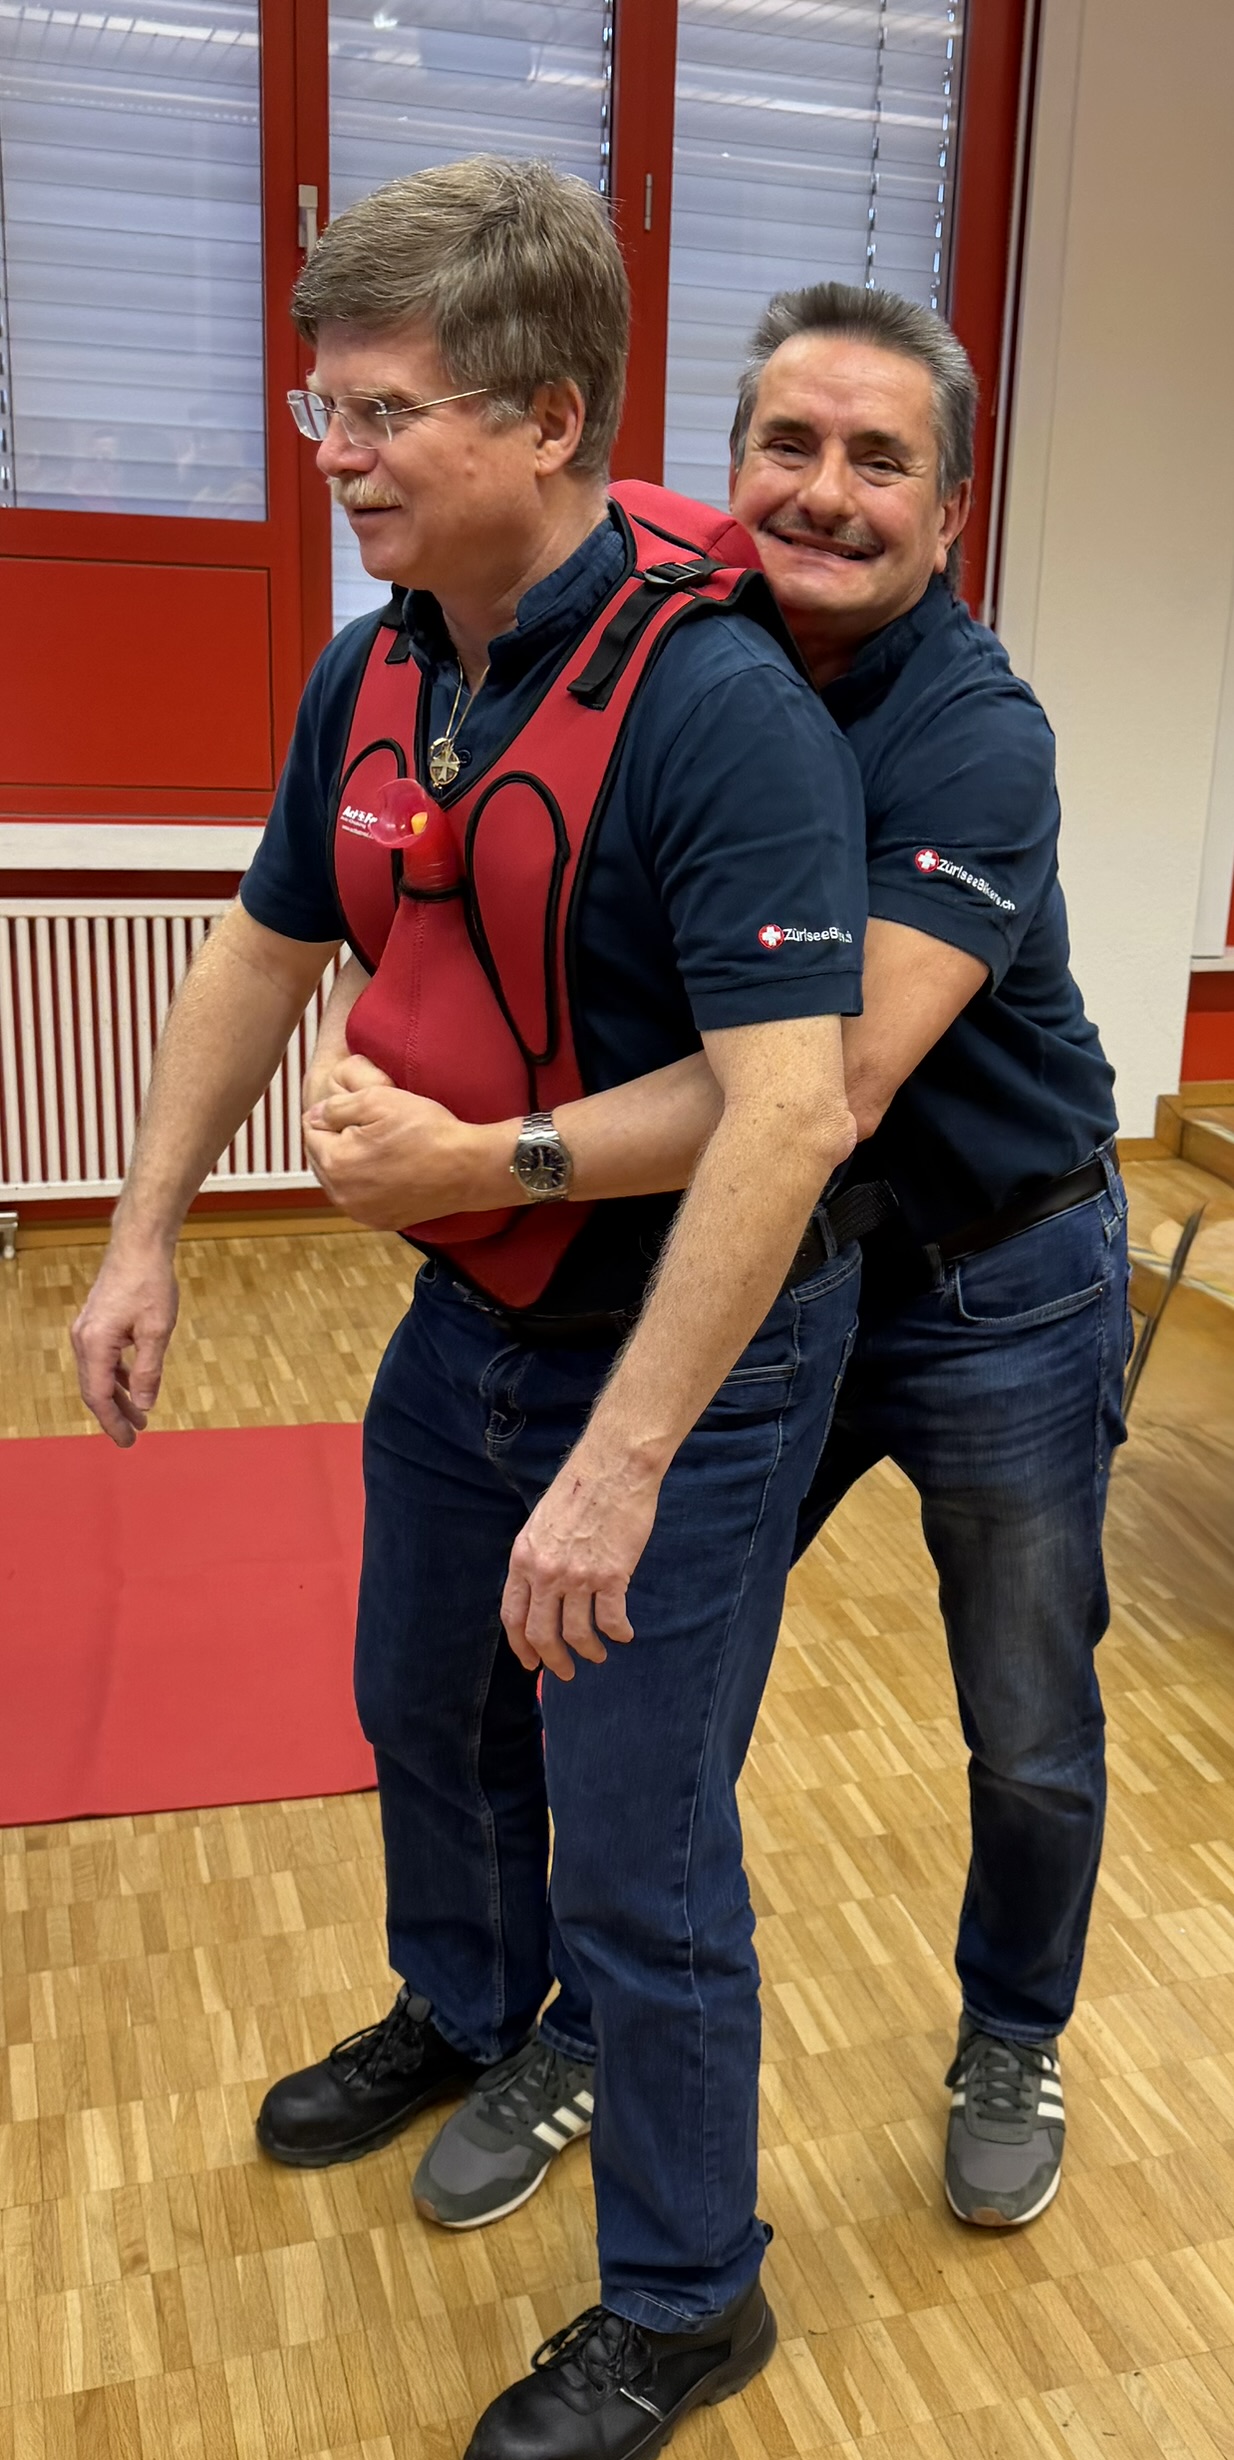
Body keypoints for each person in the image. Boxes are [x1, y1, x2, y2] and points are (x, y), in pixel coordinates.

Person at [71, 167, 868, 2460]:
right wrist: (139, 1238)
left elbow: (787, 1110)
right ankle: (458, 2009)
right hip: (470, 1318)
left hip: (685, 1360)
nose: (335, 455)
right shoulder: (389, 654)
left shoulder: (717, 710)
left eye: (383, 412)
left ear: (544, 418)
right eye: (319, 406)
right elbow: (262, 942)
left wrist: (618, 1466)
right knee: (417, 1707)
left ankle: (686, 2292)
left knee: (636, 1845)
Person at [307, 281, 1128, 2251]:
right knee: (643, 1706)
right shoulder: (679, 659)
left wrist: (479, 1157)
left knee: (1023, 1715)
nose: (823, 492)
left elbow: (820, 1088)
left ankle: (1010, 2031)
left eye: (878, 461)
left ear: (949, 509)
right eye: (788, 444)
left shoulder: (971, 737)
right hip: (773, 1281)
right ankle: (581, 2025)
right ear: (723, 460)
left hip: (994, 1283)